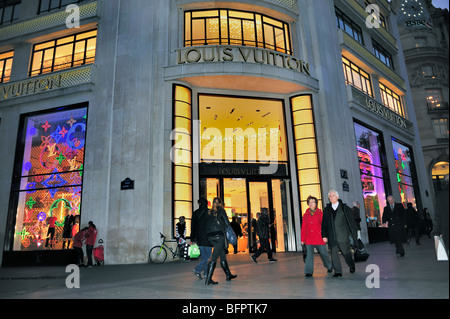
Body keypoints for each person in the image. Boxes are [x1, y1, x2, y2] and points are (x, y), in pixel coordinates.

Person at [322, 190, 358, 277]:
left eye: (333, 196)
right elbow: (324, 223)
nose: (331, 198)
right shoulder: (327, 209)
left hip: (343, 235)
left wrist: (352, 234)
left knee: (346, 253)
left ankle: (351, 264)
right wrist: (324, 235)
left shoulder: (345, 208)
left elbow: (351, 222)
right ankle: (338, 272)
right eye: (330, 196)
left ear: (337, 197)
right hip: (332, 236)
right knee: (334, 254)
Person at [204, 197, 237, 285]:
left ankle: (228, 274)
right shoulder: (222, 211)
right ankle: (208, 279)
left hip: (210, 237)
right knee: (214, 258)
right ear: (220, 204)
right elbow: (227, 224)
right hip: (219, 236)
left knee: (222, 255)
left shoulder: (209, 212)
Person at [301, 195, 332, 277]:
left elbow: (324, 226)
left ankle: (329, 266)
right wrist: (302, 239)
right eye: (309, 202)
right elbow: (303, 227)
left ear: (316, 204)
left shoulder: (320, 214)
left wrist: (325, 236)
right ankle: (308, 272)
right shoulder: (306, 215)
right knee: (309, 256)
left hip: (319, 238)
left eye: (313, 202)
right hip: (308, 238)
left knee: (323, 253)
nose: (311, 203)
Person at [191, 197, 213, 280]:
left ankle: (206, 274)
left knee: (204, 257)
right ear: (207, 203)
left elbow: (193, 227)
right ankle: (197, 269)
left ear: (199, 203)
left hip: (199, 238)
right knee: (207, 257)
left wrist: (193, 239)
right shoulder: (210, 212)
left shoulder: (195, 213)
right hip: (208, 238)